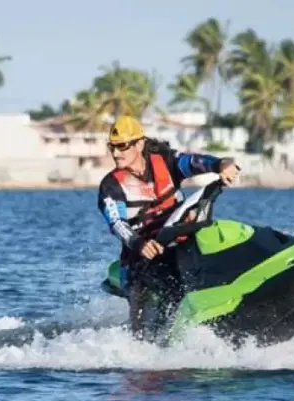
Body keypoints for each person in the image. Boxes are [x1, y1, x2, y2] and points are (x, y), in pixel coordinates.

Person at [97, 115, 241, 336]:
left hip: (180, 243)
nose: (116, 153)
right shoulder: (111, 186)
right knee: (144, 322)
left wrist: (222, 164)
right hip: (141, 259)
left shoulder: (165, 161)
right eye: (112, 147)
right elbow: (117, 223)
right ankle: (141, 345)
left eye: (122, 146)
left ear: (140, 143)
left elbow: (195, 163)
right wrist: (139, 243)